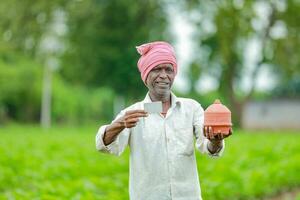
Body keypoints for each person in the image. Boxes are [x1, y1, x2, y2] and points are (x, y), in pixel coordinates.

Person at [95, 41, 232, 200]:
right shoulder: (133, 113)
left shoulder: (191, 108)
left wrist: (215, 141)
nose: (163, 75)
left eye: (169, 69)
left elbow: (207, 146)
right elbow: (104, 145)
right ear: (146, 75)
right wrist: (119, 124)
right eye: (156, 69)